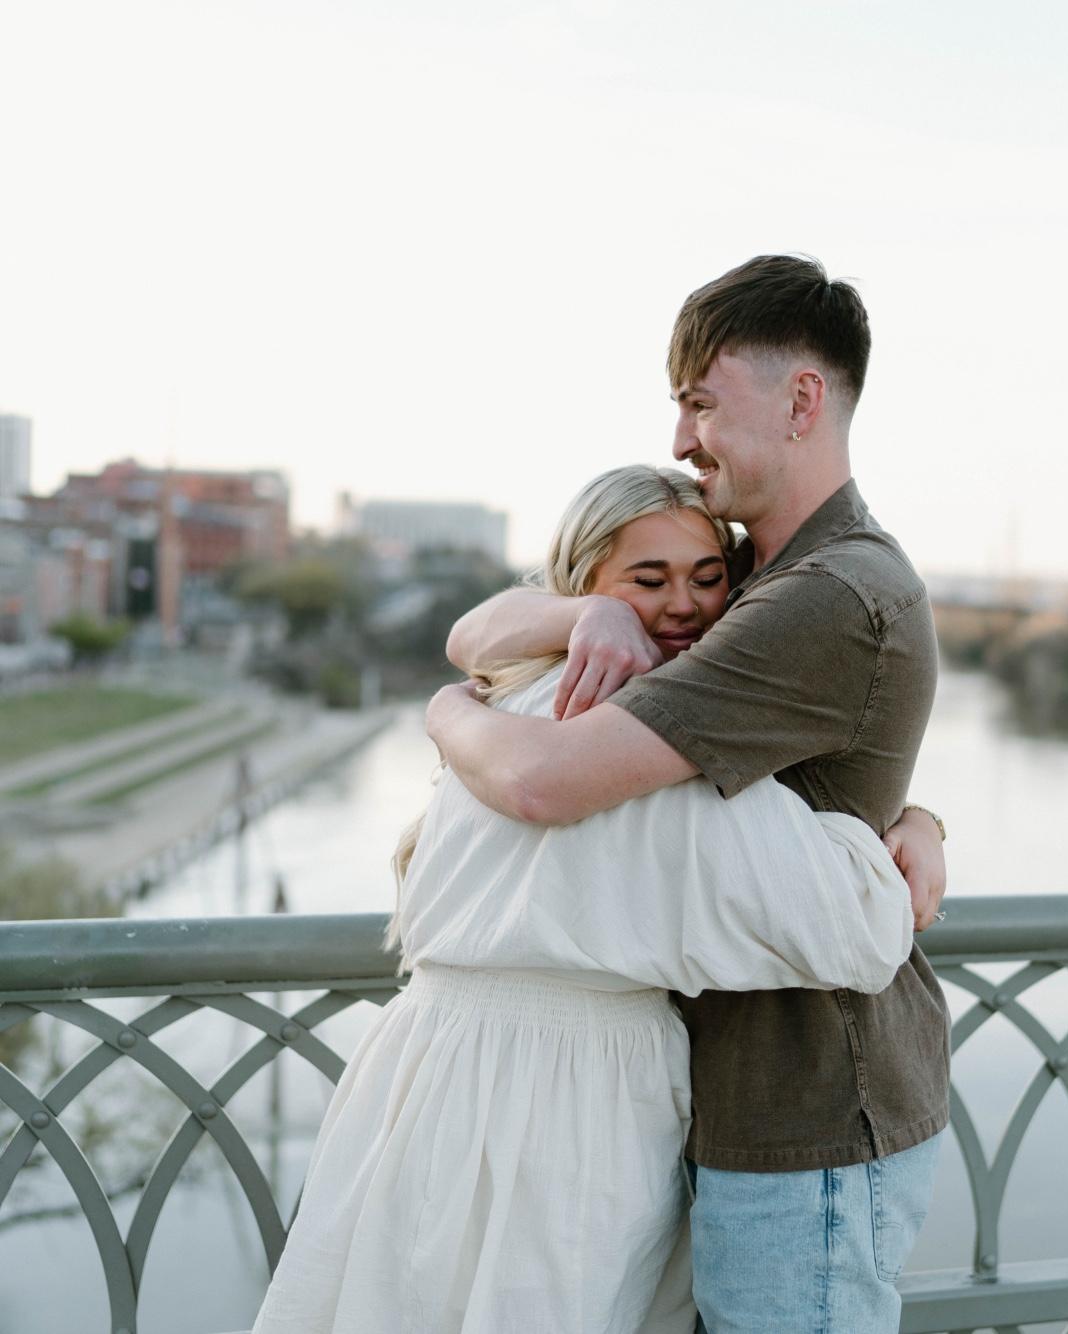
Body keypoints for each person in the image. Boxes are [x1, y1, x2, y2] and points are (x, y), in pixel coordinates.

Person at [248, 464, 924, 1334]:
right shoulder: (640, 754)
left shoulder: (504, 704)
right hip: (568, 1101)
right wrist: (893, 835)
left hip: (417, 1075)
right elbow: (858, 930)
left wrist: (448, 709)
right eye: (648, 581)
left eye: (707, 578)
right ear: (583, 587)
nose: (683, 606)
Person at [428, 254, 950, 1333]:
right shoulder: (754, 573)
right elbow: (480, 629)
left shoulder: (825, 593)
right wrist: (585, 614)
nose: (679, 438)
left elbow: (537, 779)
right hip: (726, 1100)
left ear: (801, 399)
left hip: (806, 1110)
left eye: (701, 403)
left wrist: (441, 715)